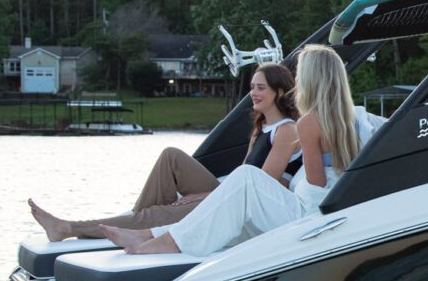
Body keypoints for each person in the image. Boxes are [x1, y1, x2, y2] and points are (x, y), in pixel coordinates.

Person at [102, 45, 375, 256]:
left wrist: (285, 191)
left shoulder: (309, 123)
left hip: (307, 217)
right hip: (323, 210)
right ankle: (152, 234)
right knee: (235, 207)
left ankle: (164, 242)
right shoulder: (353, 120)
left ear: (311, 80)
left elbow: (316, 187)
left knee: (245, 178)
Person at [28, 63, 300, 241]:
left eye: (260, 88)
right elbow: (242, 174)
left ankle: (68, 228)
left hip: (244, 203)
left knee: (158, 212)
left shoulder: (287, 130)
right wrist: (207, 193)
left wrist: (205, 196)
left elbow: (259, 185)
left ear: (279, 92)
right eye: (252, 87)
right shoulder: (261, 127)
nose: (253, 93)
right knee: (171, 156)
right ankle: (139, 221)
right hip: (232, 191)